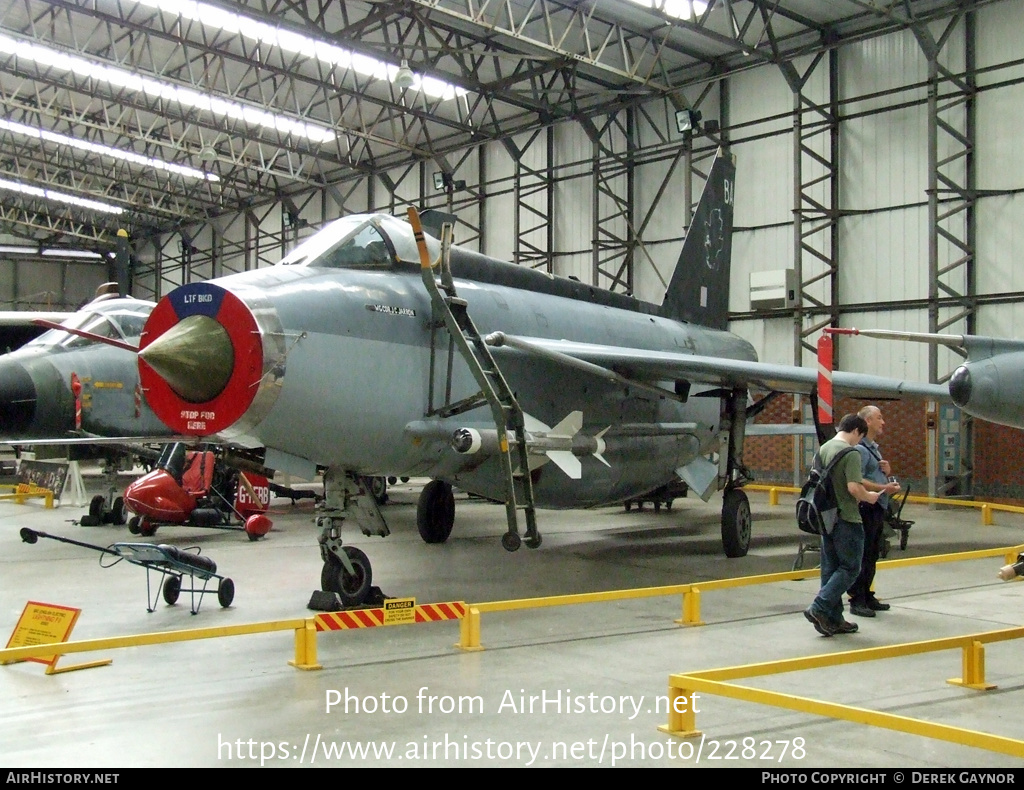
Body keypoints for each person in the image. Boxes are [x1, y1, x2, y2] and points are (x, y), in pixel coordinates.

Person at [803, 413, 880, 637]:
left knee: (830, 568)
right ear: (856, 431)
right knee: (850, 568)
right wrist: (870, 497)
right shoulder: (851, 453)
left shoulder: (824, 449)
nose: (859, 442)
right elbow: (854, 488)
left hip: (825, 517)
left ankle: (833, 618)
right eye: (860, 437)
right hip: (846, 517)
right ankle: (819, 607)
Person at [847, 405, 901, 617]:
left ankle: (867, 594)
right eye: (879, 418)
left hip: (878, 507)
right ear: (867, 421)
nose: (883, 422)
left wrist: (887, 473)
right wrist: (883, 488)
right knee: (864, 553)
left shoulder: (873, 448)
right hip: (867, 507)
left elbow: (872, 475)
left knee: (872, 553)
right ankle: (857, 598)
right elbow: (858, 479)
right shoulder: (860, 449)